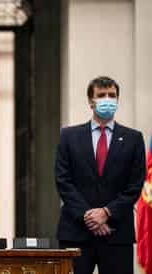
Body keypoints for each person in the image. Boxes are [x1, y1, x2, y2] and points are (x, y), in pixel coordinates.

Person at [55, 76, 146, 274]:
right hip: (76, 234)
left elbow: (135, 185)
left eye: (112, 95)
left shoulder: (133, 139)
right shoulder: (69, 136)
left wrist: (106, 213)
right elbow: (63, 181)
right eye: (101, 95)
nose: (107, 100)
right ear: (91, 101)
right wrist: (88, 217)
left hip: (116, 234)